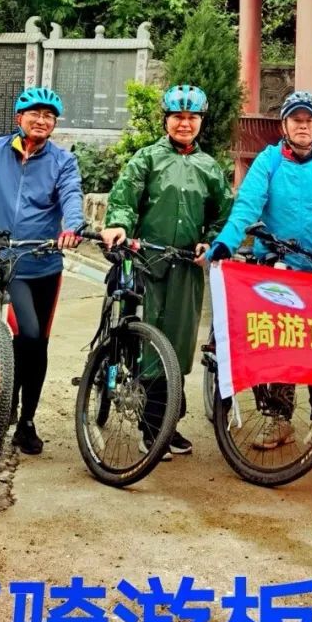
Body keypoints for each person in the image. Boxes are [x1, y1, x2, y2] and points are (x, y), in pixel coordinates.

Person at [206, 89, 312, 455]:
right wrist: (226, 242)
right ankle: (280, 419)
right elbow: (248, 205)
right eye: (296, 120)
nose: (302, 126)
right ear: (284, 125)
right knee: (280, 344)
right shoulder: (269, 162)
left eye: (309, 120)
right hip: (275, 268)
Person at [0, 86, 83, 457]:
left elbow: (72, 195)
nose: (42, 121)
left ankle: (24, 420)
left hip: (39, 261)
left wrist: (72, 227)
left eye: (49, 117)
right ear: (18, 119)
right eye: (35, 114)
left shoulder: (62, 161)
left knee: (35, 339)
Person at [101, 84, 232, 458]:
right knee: (149, 345)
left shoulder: (209, 168)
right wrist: (120, 225)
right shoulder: (146, 159)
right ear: (166, 120)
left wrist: (211, 240)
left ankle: (165, 420)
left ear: (201, 123)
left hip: (186, 269)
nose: (185, 124)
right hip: (146, 264)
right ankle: (156, 425)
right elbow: (124, 200)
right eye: (178, 117)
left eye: (192, 118)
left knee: (178, 346)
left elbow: (222, 213)